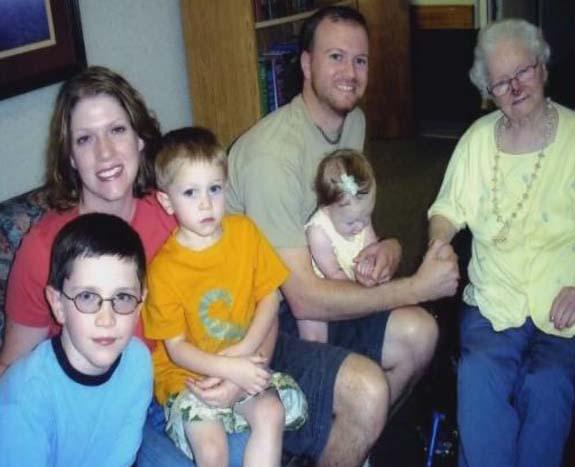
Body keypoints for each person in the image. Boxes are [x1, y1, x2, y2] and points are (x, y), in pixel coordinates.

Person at [226, 5, 460, 465]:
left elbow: (346, 224)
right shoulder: (271, 157)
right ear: (307, 65)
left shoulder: (352, 123)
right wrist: (413, 286)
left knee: (421, 332)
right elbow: (306, 300)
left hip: (308, 287)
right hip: (254, 324)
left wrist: (385, 250)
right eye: (335, 57)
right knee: (368, 390)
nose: (350, 73)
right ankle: (350, 428)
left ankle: (344, 445)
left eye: (360, 60)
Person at [0, 66, 247, 466]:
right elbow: (12, 372)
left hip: (180, 379)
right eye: (85, 139)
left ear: (140, 139)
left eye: (116, 130)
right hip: (96, 405)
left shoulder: (176, 214)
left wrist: (236, 373)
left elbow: (244, 289)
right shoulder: (43, 248)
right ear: (71, 159)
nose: (105, 153)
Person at [427, 18, 575, 467]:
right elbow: (446, 209)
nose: (514, 88)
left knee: (547, 382)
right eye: (500, 83)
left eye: (523, 73)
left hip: (563, 303)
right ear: (487, 92)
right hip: (494, 301)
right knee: (479, 373)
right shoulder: (476, 142)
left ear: (543, 67)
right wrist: (439, 244)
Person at [143, 127, 307, 466]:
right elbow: (175, 349)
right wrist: (229, 367)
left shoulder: (244, 233)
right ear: (166, 200)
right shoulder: (164, 269)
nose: (206, 203)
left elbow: (270, 298)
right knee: (213, 449)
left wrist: (243, 355)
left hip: (242, 362)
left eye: (214, 189)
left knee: (271, 412)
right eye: (190, 192)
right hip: (189, 379)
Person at [0, 213, 152, 466]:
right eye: (87, 297)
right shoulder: (27, 395)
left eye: (123, 297)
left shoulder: (138, 362)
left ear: (140, 304)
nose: (107, 319)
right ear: (58, 304)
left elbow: (120, 457)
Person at [299, 149, 379, 342]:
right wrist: (360, 292)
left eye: (366, 216)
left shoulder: (359, 219)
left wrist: (370, 263)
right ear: (327, 209)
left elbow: (372, 246)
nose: (360, 226)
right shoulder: (318, 232)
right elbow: (333, 274)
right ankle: (315, 357)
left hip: (350, 279)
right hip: (323, 285)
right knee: (313, 325)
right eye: (351, 222)